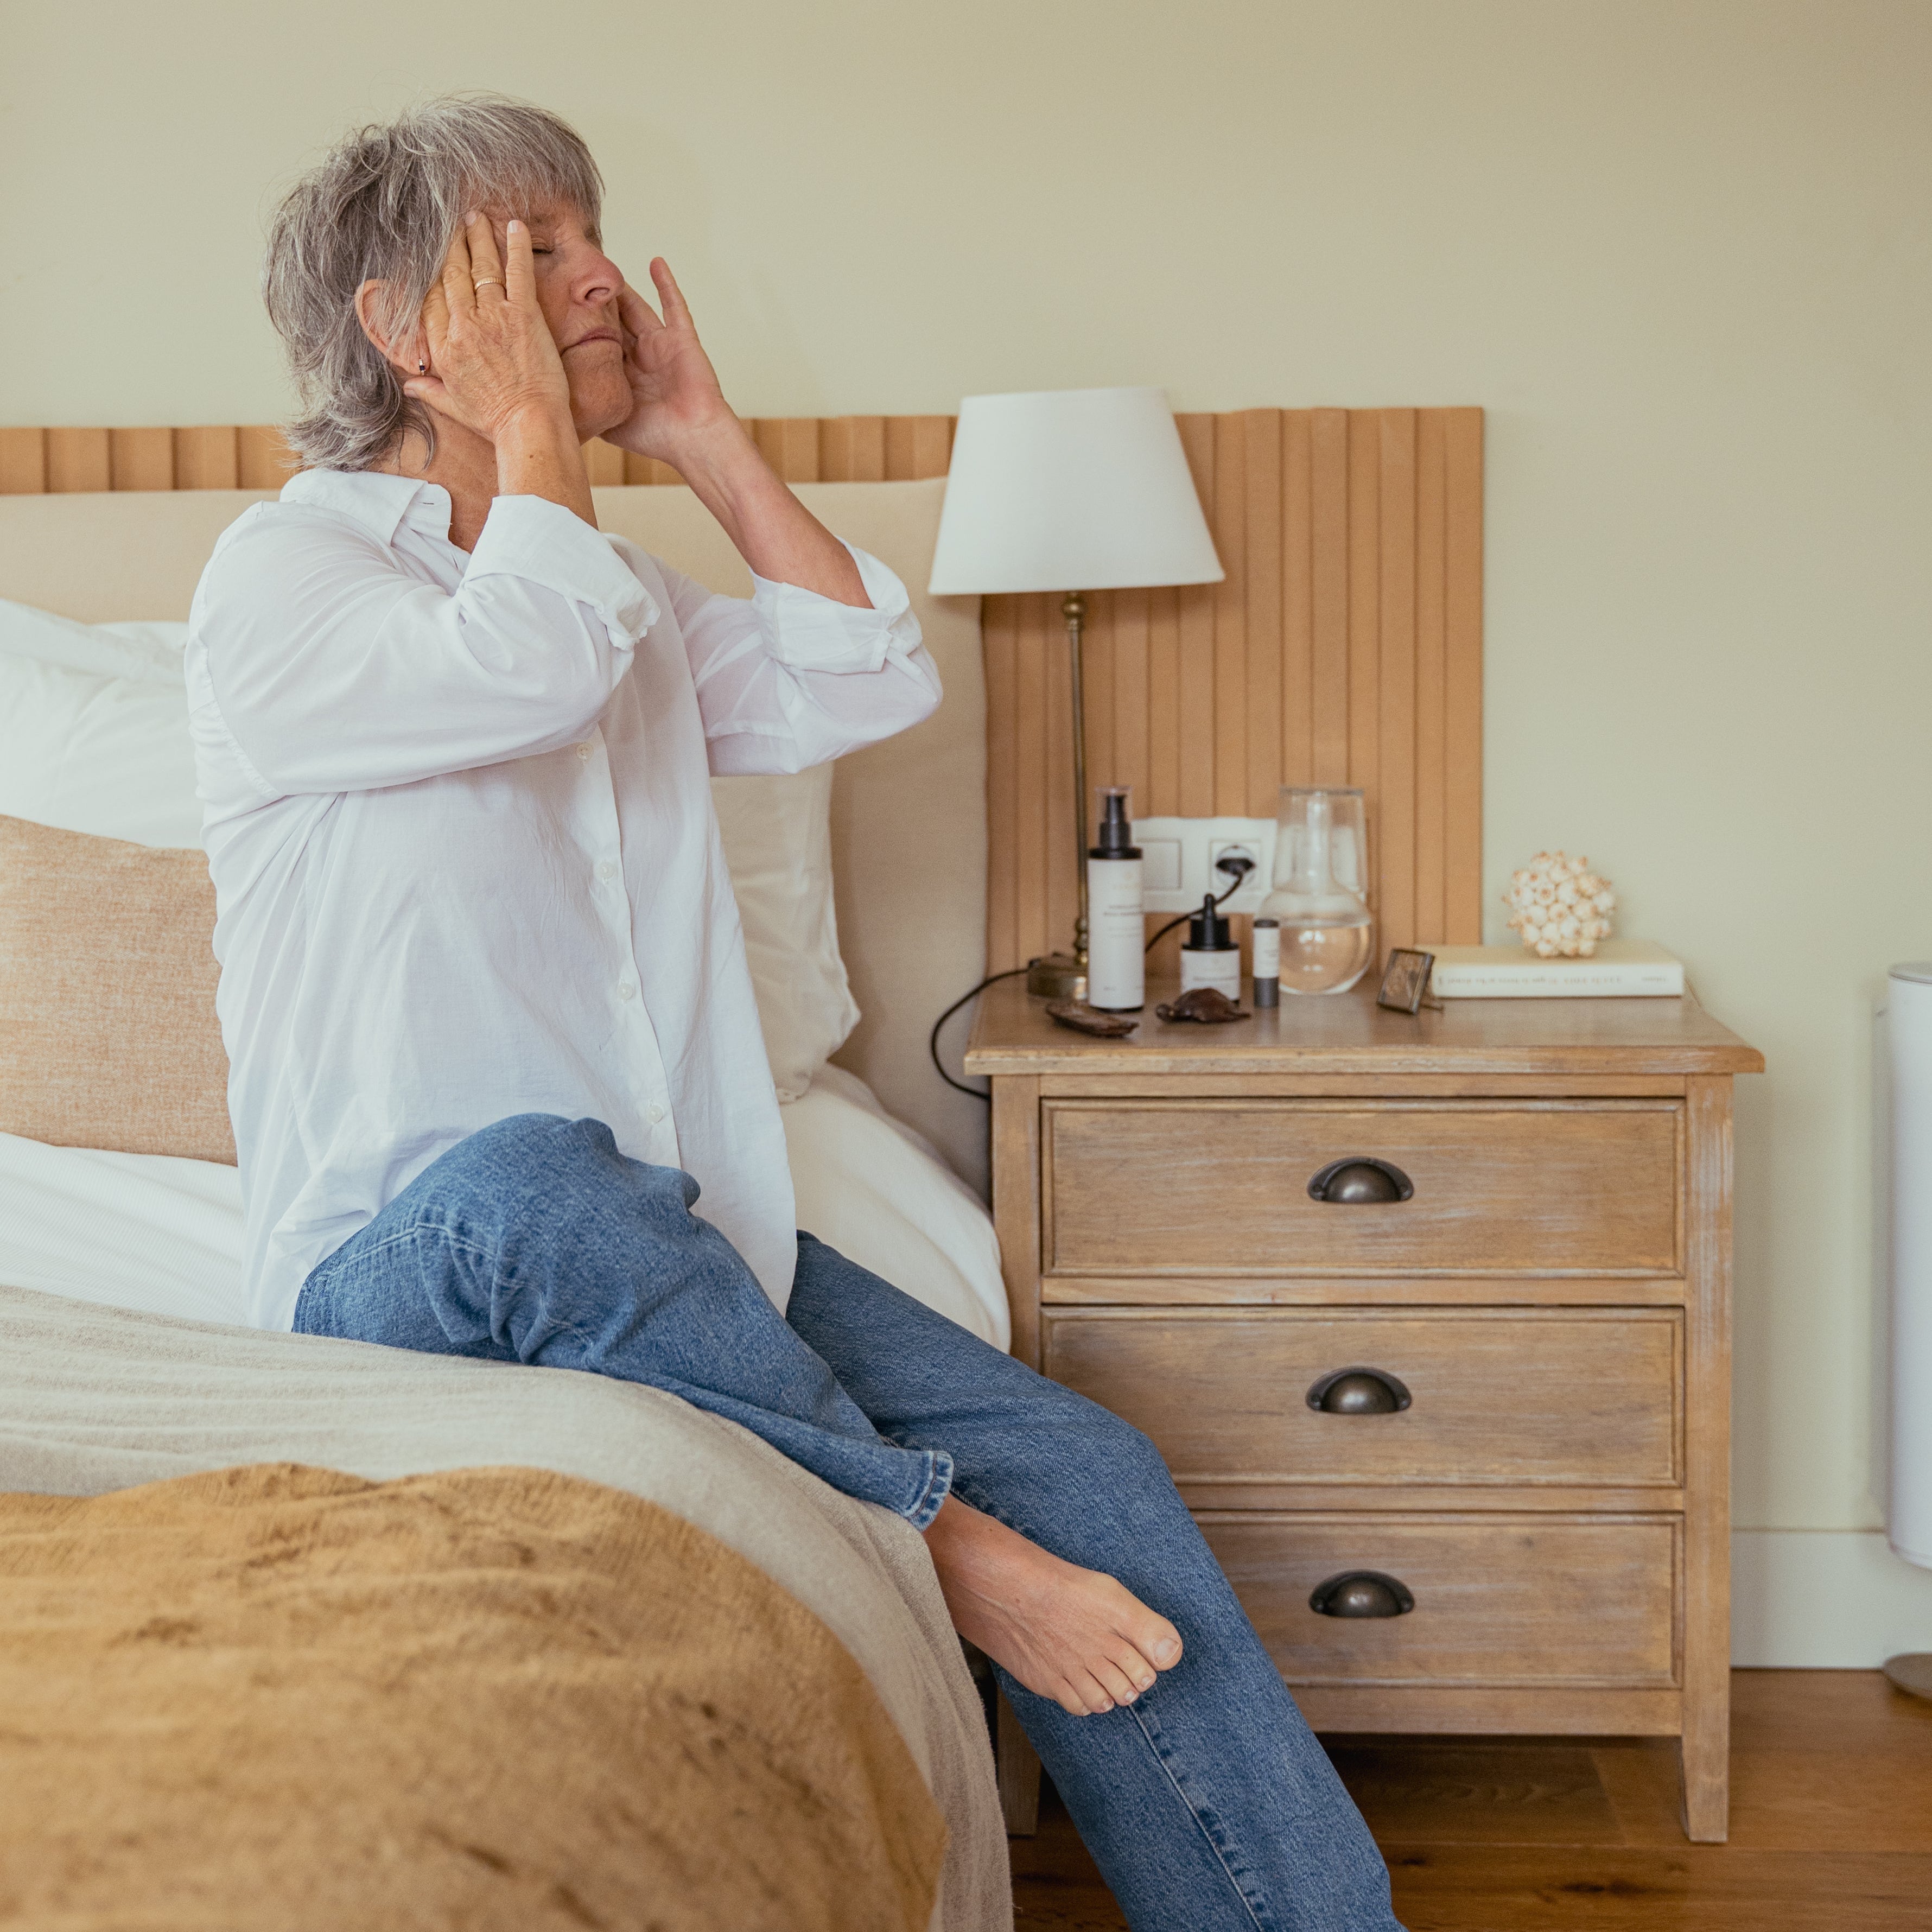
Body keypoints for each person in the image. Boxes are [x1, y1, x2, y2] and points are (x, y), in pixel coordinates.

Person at [192, 94, 1401, 1932]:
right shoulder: (287, 586)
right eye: (541, 259)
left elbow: (862, 672)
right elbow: (527, 659)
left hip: (674, 1249)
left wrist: (700, 435)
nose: (603, 282)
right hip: (413, 1269)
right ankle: (944, 1545)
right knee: (539, 1178)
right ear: (405, 326)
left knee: (1096, 1462)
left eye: (597, 243)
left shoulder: (619, 599)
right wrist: (535, 430)